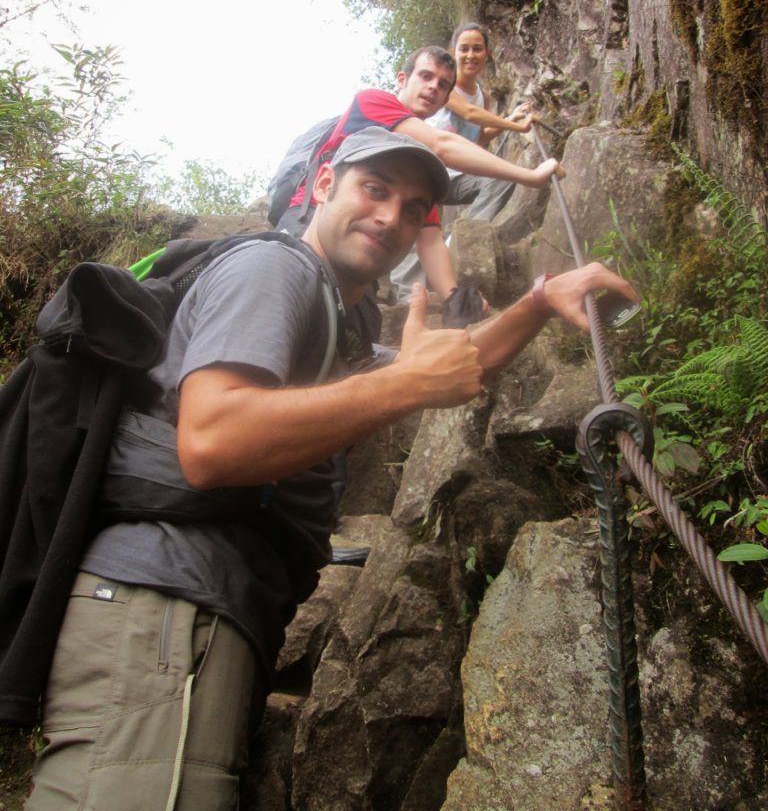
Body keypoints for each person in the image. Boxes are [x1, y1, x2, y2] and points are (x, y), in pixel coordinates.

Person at [24, 128, 636, 811]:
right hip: (165, 607)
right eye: (374, 189)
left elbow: (450, 365)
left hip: (192, 608)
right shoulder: (275, 271)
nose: (391, 217)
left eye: (413, 209)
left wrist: (538, 302)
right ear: (321, 186)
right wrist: (406, 386)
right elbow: (212, 440)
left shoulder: (335, 320)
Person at [277, 45, 563, 305]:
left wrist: (454, 299)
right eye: (425, 76)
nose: (432, 88)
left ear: (444, 101)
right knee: (295, 297)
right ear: (402, 80)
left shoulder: (417, 171)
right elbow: (442, 144)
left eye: (442, 85)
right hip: (310, 220)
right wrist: (530, 175)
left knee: (356, 322)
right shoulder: (372, 102)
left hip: (358, 248)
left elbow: (429, 240)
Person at [429, 21, 535, 150]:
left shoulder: (483, 97)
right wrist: (518, 127)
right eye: (464, 49)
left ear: (486, 53)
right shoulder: (445, 86)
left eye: (477, 49)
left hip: (463, 167)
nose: (471, 55)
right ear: (453, 53)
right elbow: (469, 113)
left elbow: (480, 138)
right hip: (433, 165)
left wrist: (512, 118)